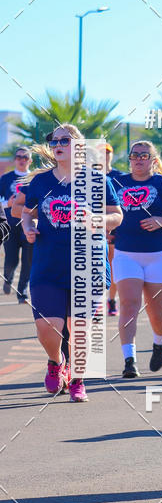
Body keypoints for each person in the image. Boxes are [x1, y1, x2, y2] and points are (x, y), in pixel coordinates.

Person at [21, 125, 122, 402]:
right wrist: (28, 228)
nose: (58, 145)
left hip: (87, 263)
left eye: (65, 140)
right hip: (48, 263)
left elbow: (117, 215)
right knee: (47, 326)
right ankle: (56, 362)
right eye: (54, 141)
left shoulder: (97, 180)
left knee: (79, 327)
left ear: (79, 145)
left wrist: (98, 220)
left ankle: (77, 379)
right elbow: (27, 213)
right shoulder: (41, 182)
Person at [111, 141, 162, 378]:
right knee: (129, 304)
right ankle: (129, 360)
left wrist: (161, 221)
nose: (138, 159)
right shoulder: (117, 183)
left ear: (153, 160)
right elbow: (107, 212)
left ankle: (159, 343)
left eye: (144, 155)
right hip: (126, 253)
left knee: (156, 311)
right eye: (134, 155)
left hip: (158, 255)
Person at [0, 146, 33, 303]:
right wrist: (9, 203)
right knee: (11, 260)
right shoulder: (5, 179)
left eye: (25, 157)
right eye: (19, 157)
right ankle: (7, 279)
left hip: (29, 225)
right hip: (10, 225)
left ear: (30, 160)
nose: (22, 160)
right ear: (15, 160)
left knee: (28, 260)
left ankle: (22, 292)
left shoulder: (34, 178)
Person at [103, 144, 127, 317]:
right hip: (91, 227)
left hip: (114, 227)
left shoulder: (120, 177)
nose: (104, 155)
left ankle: (111, 300)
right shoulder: (84, 175)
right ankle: (94, 303)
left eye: (107, 152)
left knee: (111, 265)